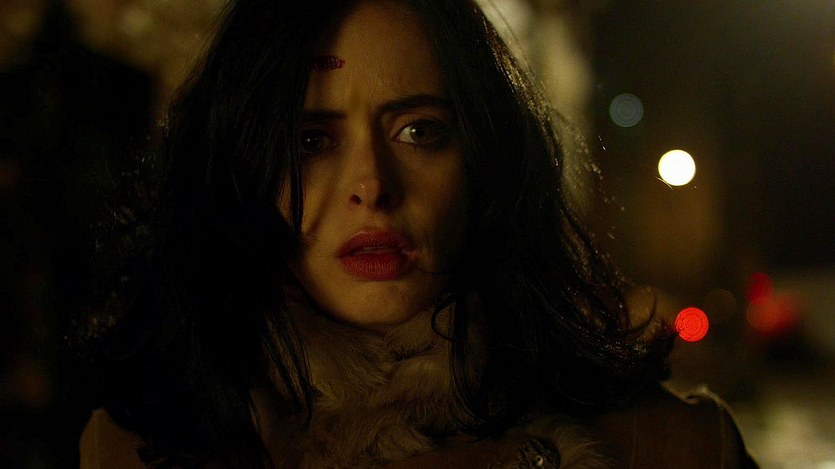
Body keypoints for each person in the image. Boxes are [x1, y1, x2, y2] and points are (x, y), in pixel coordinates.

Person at [79, 0, 758, 467]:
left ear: (485, 162)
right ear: (240, 172)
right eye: (310, 140)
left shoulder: (670, 449)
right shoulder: (138, 451)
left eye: (418, 131)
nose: (372, 184)